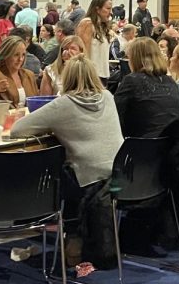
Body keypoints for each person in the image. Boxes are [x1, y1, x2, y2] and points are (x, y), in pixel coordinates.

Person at [12, 57, 125, 189]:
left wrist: (49, 126)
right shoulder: (108, 96)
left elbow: (17, 129)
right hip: (120, 172)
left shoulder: (63, 104)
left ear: (66, 77)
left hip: (88, 179)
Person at [114, 37, 179, 137]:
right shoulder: (170, 82)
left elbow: (115, 115)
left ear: (134, 59)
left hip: (142, 145)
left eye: (129, 58)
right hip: (172, 144)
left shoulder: (131, 81)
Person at [0, 36, 38, 105]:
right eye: (16, 55)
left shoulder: (30, 75)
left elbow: (36, 102)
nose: (20, 59)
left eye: (23, 55)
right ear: (6, 55)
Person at [76, 0, 114, 81]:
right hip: (91, 75)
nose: (110, 12)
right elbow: (84, 52)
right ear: (97, 9)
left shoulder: (102, 26)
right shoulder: (87, 23)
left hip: (103, 74)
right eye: (108, 9)